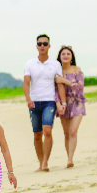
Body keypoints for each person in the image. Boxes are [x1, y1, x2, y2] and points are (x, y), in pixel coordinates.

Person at [23, 34, 67, 172]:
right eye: (40, 43)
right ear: (36, 46)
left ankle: (45, 163)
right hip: (34, 102)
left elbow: (60, 84)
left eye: (45, 43)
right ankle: (40, 162)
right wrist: (28, 99)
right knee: (37, 134)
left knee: (47, 130)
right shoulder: (29, 64)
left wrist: (63, 103)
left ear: (49, 46)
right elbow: (26, 83)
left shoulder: (55, 64)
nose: (42, 46)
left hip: (49, 102)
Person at [54, 45, 86, 168]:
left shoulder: (77, 69)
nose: (66, 56)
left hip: (78, 102)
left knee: (73, 131)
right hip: (63, 103)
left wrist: (64, 80)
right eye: (63, 54)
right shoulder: (57, 71)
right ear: (60, 57)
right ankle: (69, 157)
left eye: (68, 54)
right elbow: (55, 90)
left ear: (71, 56)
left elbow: (79, 86)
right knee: (66, 133)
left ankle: (70, 159)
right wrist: (58, 103)